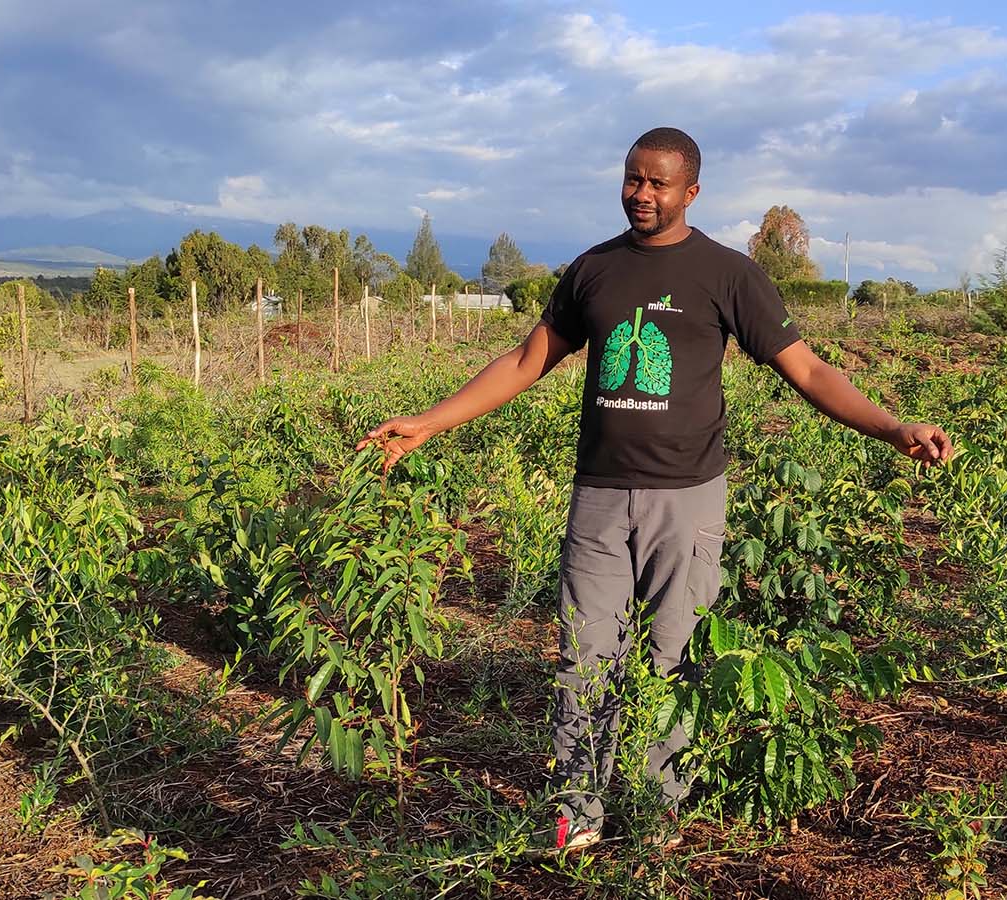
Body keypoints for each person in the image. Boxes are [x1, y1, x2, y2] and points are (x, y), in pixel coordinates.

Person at [358, 126, 952, 853]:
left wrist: (894, 427)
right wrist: (430, 421)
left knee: (674, 652)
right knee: (585, 651)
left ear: (691, 191)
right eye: (633, 179)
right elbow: (524, 360)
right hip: (601, 494)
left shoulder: (729, 274)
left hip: (688, 497)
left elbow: (811, 372)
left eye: (658, 183)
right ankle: (579, 808)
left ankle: (655, 804)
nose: (641, 194)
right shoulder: (593, 269)